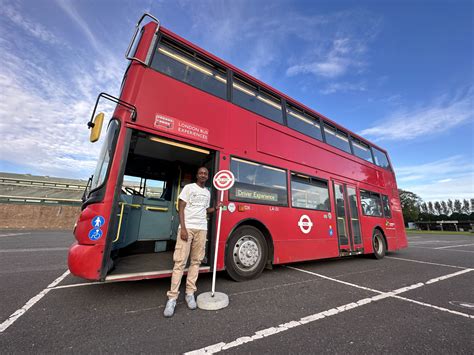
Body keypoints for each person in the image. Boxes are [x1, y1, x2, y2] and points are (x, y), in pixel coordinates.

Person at [164, 166, 221, 317]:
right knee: (180, 262)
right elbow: (180, 207)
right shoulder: (189, 188)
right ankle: (172, 298)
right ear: (197, 175)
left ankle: (190, 293)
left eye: (205, 174)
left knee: (196, 261)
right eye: (201, 173)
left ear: (207, 177)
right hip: (187, 228)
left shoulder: (207, 192)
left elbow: (204, 210)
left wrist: (215, 208)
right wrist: (183, 228)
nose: (203, 175)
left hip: (201, 229)